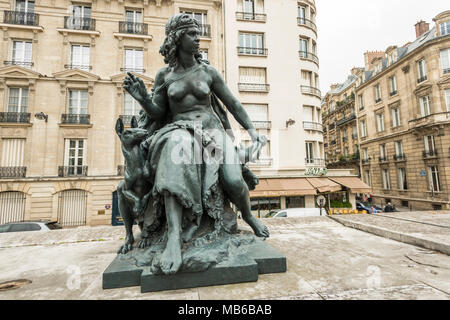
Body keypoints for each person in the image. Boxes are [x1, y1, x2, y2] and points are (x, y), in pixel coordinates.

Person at [123, 13, 269, 275]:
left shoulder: (208, 72)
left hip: (212, 133)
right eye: (191, 34)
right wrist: (143, 99)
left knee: (234, 181)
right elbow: (158, 112)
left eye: (197, 32)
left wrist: (252, 130)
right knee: (172, 153)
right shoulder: (164, 76)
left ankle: (247, 215)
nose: (197, 38)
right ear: (178, 39)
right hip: (181, 130)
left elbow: (233, 104)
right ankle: (175, 237)